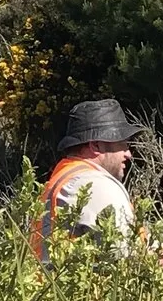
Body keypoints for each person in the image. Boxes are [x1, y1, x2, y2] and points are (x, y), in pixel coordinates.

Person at [35, 98, 143, 256]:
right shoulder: (94, 185)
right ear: (96, 146)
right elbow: (126, 256)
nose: (128, 154)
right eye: (123, 144)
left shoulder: (67, 176)